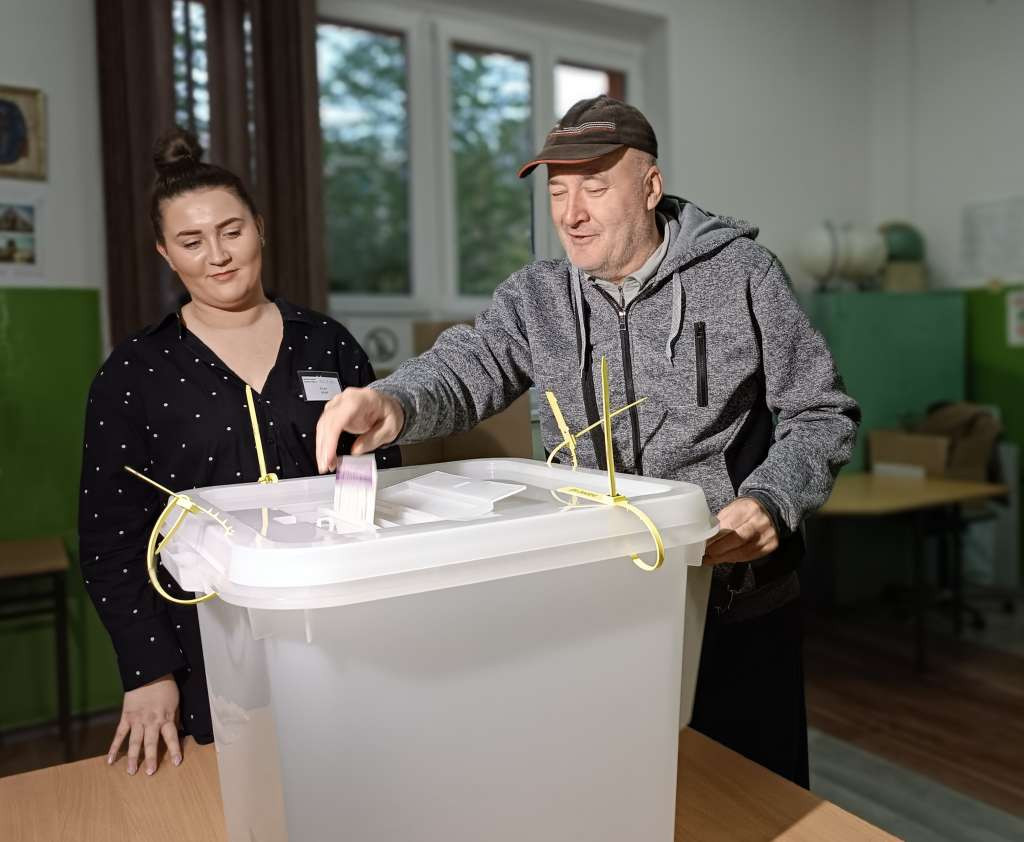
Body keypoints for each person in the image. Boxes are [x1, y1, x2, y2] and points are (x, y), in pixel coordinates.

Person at [314, 96, 859, 787]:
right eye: (557, 191)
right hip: (600, 605)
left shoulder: (742, 274)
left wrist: (772, 501)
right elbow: (465, 364)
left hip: (732, 601)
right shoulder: (537, 296)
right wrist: (392, 399)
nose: (571, 213)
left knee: (752, 803)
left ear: (651, 188)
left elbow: (821, 411)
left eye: (594, 187)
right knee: (616, 796)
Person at [78, 128, 398, 777]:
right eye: (192, 242)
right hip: (204, 648)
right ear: (166, 254)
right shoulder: (134, 374)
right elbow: (109, 536)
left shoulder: (328, 345)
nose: (218, 256)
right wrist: (147, 671)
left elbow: (377, 477)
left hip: (337, 633)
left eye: (232, 231)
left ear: (260, 227)